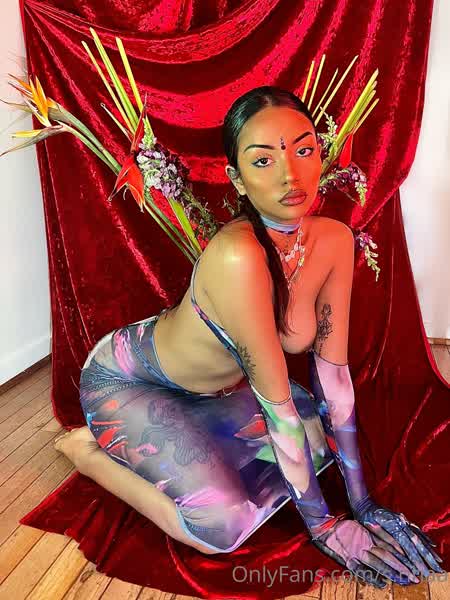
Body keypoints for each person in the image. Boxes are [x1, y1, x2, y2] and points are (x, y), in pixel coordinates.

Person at [54, 86, 443, 589]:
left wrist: (363, 504)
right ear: (236, 178)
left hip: (215, 394)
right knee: (220, 527)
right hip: (129, 382)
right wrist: (325, 527)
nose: (290, 175)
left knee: (319, 442)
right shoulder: (238, 256)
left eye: (304, 150)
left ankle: (182, 434)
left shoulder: (334, 240)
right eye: (263, 161)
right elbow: (278, 407)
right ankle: (84, 450)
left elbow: (334, 378)